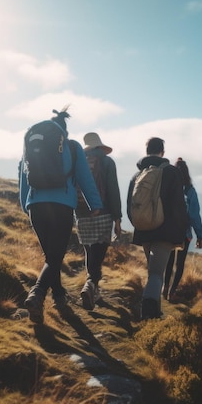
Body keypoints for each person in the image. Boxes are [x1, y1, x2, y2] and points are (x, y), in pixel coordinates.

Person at [19, 108, 102, 324]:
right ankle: (37, 294)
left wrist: (25, 205)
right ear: (64, 132)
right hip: (61, 206)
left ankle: (57, 295)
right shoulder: (73, 147)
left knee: (51, 255)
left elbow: (23, 177)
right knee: (55, 257)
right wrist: (95, 204)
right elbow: (85, 178)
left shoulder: (31, 146)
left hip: (36, 206)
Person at [127, 137, 188, 320]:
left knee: (154, 271)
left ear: (147, 151)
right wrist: (182, 229)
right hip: (166, 230)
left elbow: (131, 206)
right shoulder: (171, 172)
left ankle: (156, 312)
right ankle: (149, 312)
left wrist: (140, 223)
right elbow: (178, 204)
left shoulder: (137, 175)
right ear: (162, 152)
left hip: (144, 229)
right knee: (156, 273)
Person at [75, 132, 122, 311]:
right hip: (103, 214)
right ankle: (90, 285)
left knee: (90, 254)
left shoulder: (77, 163)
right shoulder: (108, 162)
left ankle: (95, 290)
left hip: (82, 215)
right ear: (101, 147)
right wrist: (117, 219)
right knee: (98, 255)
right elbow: (112, 190)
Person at [163, 158, 202, 303]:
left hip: (167, 231)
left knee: (168, 261)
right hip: (183, 233)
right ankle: (172, 292)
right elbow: (194, 215)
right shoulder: (190, 190)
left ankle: (165, 287)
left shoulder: (167, 187)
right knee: (179, 264)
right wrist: (200, 235)